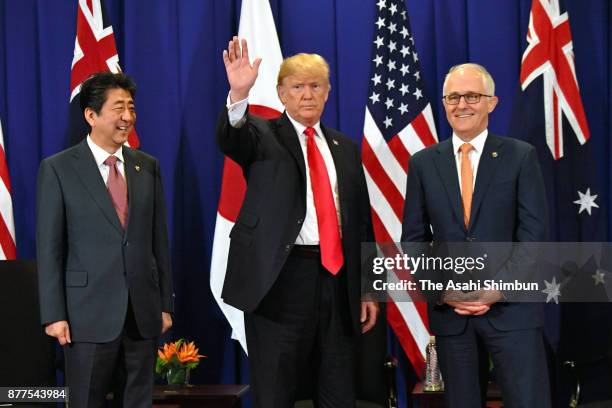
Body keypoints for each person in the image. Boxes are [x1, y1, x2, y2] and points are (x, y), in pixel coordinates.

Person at [217, 37, 378, 407]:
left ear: (327, 92)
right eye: (297, 86)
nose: (307, 94)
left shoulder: (345, 147)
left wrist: (368, 289)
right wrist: (238, 94)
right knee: (276, 393)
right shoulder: (261, 135)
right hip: (279, 283)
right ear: (282, 94)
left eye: (315, 85)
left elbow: (361, 225)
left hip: (337, 284)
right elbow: (232, 137)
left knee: (338, 393)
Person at [402, 63, 551, 407]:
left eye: (472, 95)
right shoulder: (423, 162)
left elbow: (533, 236)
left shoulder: (520, 156)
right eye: (453, 96)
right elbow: (414, 238)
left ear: (492, 102)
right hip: (452, 317)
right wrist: (442, 292)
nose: (462, 104)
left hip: (512, 310)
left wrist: (498, 290)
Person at [37, 72, 174, 407]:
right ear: (91, 115)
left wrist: (165, 305)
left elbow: (159, 244)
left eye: (131, 107)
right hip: (86, 315)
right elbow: (50, 248)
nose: (128, 117)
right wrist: (54, 314)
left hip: (141, 314)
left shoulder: (147, 167)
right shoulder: (59, 169)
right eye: (118, 108)